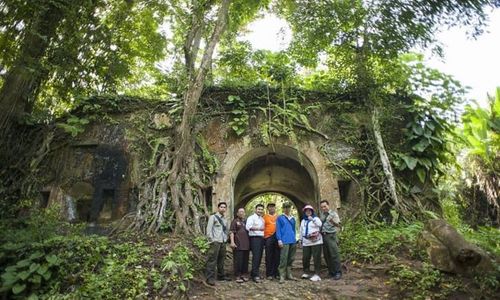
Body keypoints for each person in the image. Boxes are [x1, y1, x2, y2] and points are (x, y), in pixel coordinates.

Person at [204, 202, 230, 286]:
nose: (223, 208)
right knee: (212, 260)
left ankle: (221, 275)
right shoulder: (213, 217)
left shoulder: (225, 219)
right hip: (215, 241)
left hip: (222, 242)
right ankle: (210, 278)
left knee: (221, 260)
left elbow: (226, 230)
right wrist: (211, 240)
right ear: (218, 208)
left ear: (226, 209)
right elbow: (209, 229)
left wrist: (225, 239)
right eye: (221, 207)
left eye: (224, 207)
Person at [319, 200, 342, 280]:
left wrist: (332, 221)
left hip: (331, 236)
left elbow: (339, 225)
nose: (323, 208)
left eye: (325, 206)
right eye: (322, 207)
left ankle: (338, 272)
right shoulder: (322, 215)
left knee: (334, 254)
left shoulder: (333, 214)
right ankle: (331, 272)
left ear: (328, 205)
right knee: (327, 255)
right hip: (324, 236)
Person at [299, 204, 323, 282]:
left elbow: (320, 224)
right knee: (305, 257)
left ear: (312, 211)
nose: (308, 212)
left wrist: (312, 219)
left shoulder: (316, 218)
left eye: (309, 211)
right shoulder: (303, 221)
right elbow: (301, 231)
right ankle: (306, 272)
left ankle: (317, 274)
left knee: (316, 258)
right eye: (306, 211)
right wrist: (300, 240)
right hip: (306, 242)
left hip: (316, 242)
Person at [276, 201, 297, 284]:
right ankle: (282, 275)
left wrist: (295, 238)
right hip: (284, 240)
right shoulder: (280, 218)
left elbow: (293, 229)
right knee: (283, 258)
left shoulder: (292, 218)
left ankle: (289, 274)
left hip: (292, 240)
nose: (287, 209)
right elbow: (278, 229)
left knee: (291, 258)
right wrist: (279, 239)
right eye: (285, 207)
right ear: (283, 208)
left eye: (288, 207)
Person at [246, 203, 265, 283]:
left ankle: (255, 272)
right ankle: (255, 275)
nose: (260, 211)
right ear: (255, 209)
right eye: (259, 209)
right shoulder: (251, 218)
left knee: (259, 256)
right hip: (254, 238)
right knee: (256, 256)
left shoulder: (262, 219)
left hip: (261, 238)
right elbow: (248, 227)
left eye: (261, 209)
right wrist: (258, 228)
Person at [230, 207, 250, 283]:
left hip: (246, 245)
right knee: (238, 261)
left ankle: (244, 274)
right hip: (238, 244)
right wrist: (232, 242)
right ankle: (237, 275)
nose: (242, 213)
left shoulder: (246, 222)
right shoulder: (235, 221)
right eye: (240, 212)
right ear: (237, 213)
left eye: (243, 212)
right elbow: (232, 232)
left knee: (245, 260)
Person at [264, 203, 280, 280]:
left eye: (273, 207)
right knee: (269, 256)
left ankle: (276, 273)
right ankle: (269, 274)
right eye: (270, 207)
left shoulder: (279, 217)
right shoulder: (265, 217)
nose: (271, 208)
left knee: (277, 255)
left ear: (275, 208)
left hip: (277, 237)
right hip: (268, 237)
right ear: (268, 209)